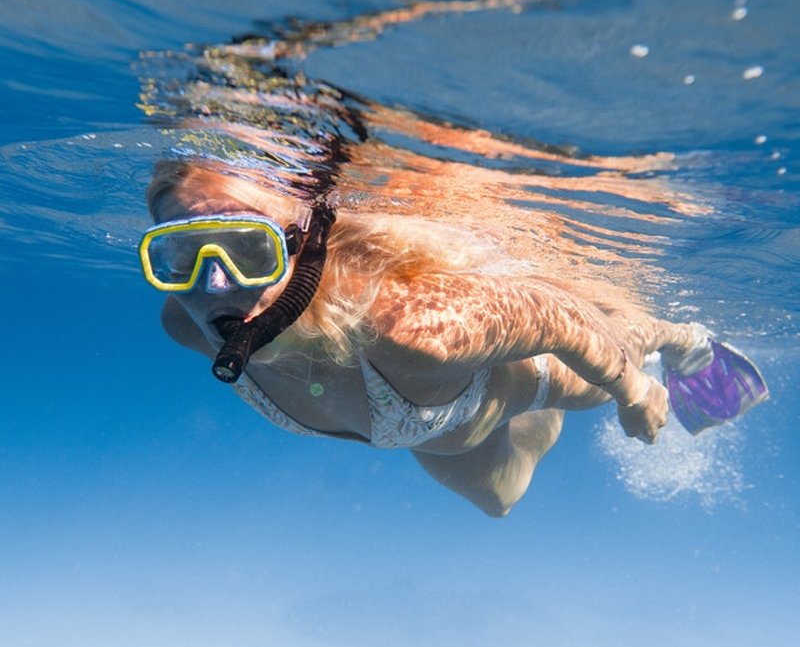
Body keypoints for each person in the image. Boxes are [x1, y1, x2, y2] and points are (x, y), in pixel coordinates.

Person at [139, 156, 767, 517]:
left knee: (605, 369)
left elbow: (558, 318)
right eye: (178, 254)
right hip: (431, 426)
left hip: (504, 378)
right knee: (500, 501)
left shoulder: (408, 327)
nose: (215, 284)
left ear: (307, 246)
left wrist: (634, 392)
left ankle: (683, 340)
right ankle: (538, 419)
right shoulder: (183, 324)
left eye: (251, 248)